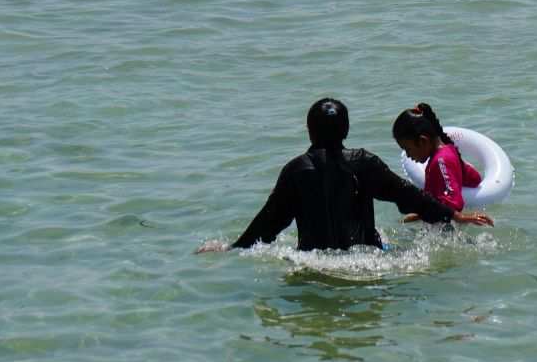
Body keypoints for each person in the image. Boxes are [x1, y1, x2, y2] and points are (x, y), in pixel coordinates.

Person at [204, 98, 493, 253]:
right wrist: (454, 216)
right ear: (346, 131)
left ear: (309, 131)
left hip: (313, 263)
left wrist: (231, 248)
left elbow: (269, 220)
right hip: (366, 259)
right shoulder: (363, 162)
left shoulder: (296, 170)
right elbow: (408, 195)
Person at [391, 103, 482, 217]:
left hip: (445, 231)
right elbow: (474, 178)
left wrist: (463, 217)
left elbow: (452, 205)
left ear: (423, 141)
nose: (408, 156)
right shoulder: (450, 150)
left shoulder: (440, 161)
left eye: (408, 150)